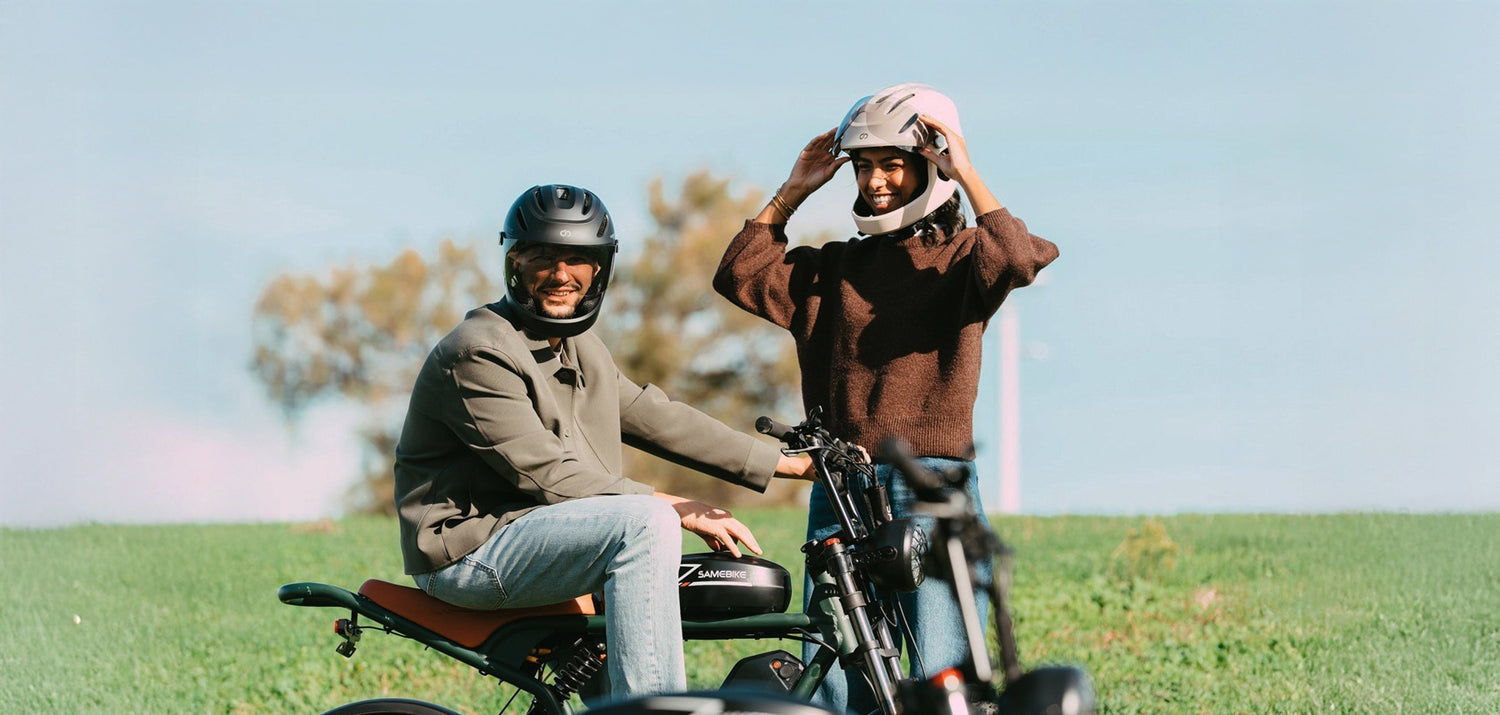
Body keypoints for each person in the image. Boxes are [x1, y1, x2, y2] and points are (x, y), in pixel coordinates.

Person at [713, 83, 1059, 713]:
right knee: (842, 669)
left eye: (892, 164)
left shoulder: (961, 262)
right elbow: (739, 273)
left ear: (931, 164)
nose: (874, 181)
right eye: (865, 166)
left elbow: (1016, 257)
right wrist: (792, 191)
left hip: (929, 487)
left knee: (944, 671)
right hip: (839, 491)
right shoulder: (831, 271)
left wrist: (967, 171)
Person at [394, 183, 813, 700]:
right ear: (514, 263)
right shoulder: (478, 351)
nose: (560, 274)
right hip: (472, 553)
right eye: (542, 257)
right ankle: (656, 709)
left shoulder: (580, 347)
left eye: (578, 259)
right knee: (646, 523)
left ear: (600, 269)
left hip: (546, 538)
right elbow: (545, 474)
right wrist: (679, 507)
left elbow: (656, 417)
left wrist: (786, 464)